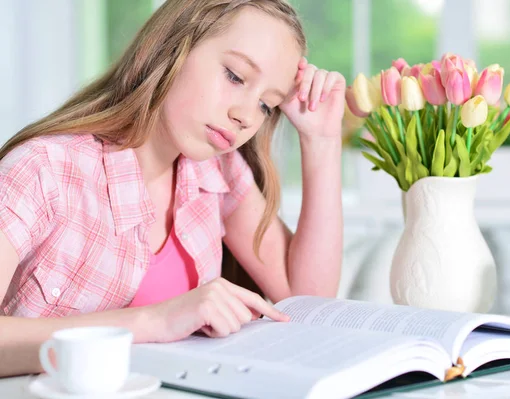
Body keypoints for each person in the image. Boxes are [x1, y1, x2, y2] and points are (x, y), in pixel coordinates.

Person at [0, 0, 344, 377]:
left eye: (266, 105)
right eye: (234, 75)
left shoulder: (217, 172)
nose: (246, 116)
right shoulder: (43, 169)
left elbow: (309, 300)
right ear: (170, 48)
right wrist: (153, 322)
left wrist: (322, 141)